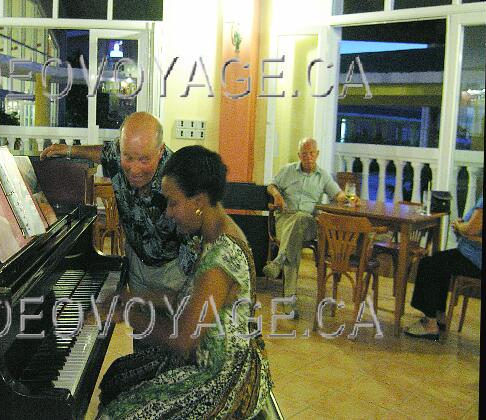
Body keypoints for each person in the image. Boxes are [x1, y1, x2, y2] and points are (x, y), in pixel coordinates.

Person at [98, 145, 274, 419]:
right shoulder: (214, 234)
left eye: (173, 202)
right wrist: (138, 298)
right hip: (206, 359)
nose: (168, 212)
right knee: (118, 377)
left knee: (118, 413)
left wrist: (129, 314)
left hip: (221, 376)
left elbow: (182, 340)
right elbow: (189, 297)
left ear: (199, 202)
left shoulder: (221, 258)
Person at [40, 112, 194, 305]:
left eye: (144, 160)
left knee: (167, 331)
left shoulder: (179, 184)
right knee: (141, 330)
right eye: (127, 157)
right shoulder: (117, 153)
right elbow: (104, 152)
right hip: (135, 260)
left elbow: (195, 253)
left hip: (171, 272)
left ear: (160, 151)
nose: (134, 169)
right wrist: (70, 150)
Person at [263, 137, 357, 314]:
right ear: (299, 155)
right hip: (285, 220)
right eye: (304, 153)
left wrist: (349, 198)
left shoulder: (323, 176)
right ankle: (289, 303)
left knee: (300, 220)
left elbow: (338, 195)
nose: (308, 157)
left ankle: (279, 261)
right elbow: (271, 185)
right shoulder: (288, 170)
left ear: (317, 154)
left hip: (308, 223)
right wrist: (276, 194)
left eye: (311, 153)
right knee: (292, 244)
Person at [404, 195, 483, 341]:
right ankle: (439, 315)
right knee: (440, 262)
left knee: (429, 265)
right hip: (475, 256)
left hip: (475, 259)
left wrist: (460, 226)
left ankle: (430, 323)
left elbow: (472, 228)